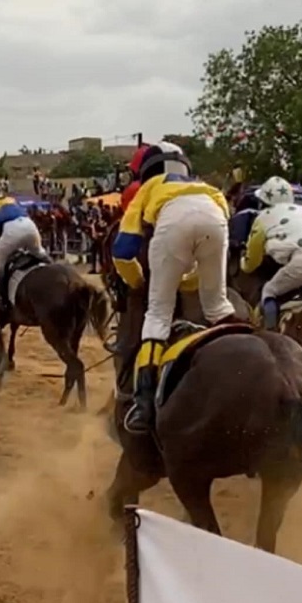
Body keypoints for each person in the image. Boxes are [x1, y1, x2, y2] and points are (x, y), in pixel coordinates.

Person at [112, 142, 236, 437]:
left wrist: (138, 281)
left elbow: (122, 250)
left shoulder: (149, 187)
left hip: (171, 224)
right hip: (216, 222)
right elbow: (207, 242)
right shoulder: (208, 188)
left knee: (157, 315)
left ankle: (142, 404)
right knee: (218, 306)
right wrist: (187, 280)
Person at [245, 176, 302, 329]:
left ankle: (270, 333)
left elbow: (252, 260)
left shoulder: (262, 218)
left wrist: (244, 265)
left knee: (269, 290)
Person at [0, 183, 48, 324]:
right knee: (40, 254)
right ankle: (52, 266)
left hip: (12, 230)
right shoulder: (11, 200)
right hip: (30, 226)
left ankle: (3, 302)